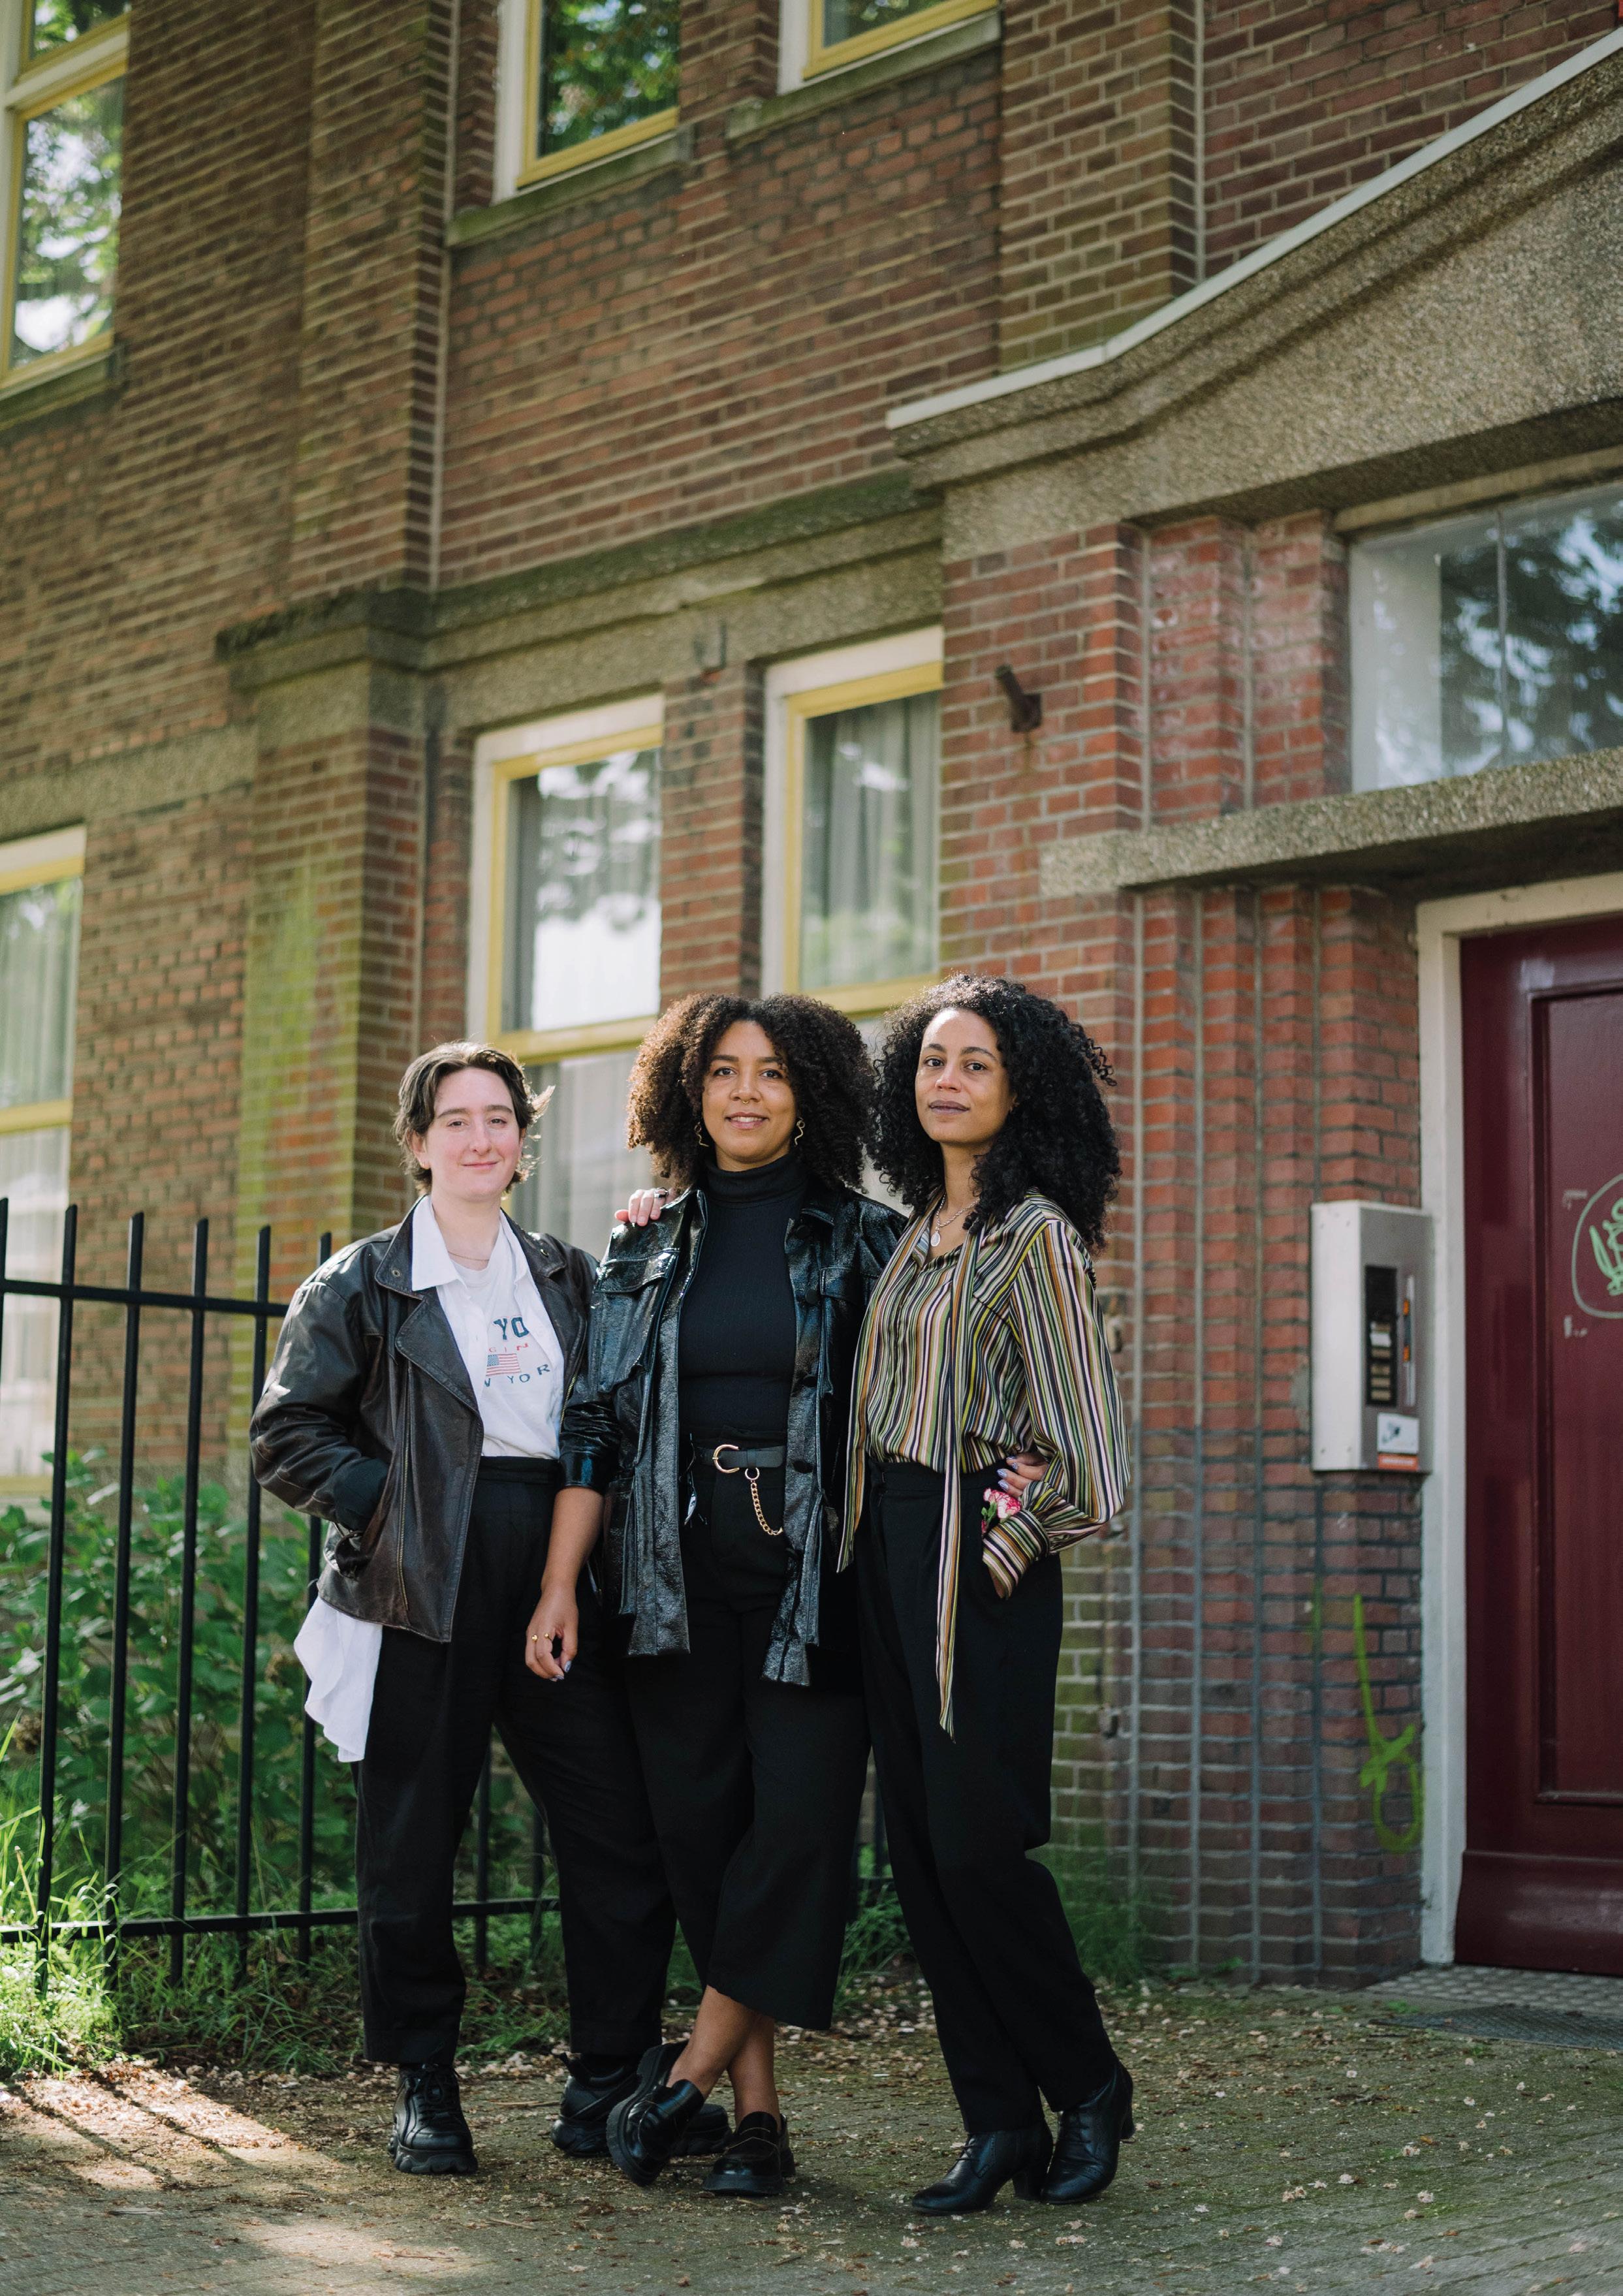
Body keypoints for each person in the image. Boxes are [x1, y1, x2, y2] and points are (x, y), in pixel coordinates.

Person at [529, 994, 979, 2200]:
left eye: (771, 1072)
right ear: (687, 1090)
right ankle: (758, 2117)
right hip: (667, 1585)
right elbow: (593, 1425)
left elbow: (925, 1398)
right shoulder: (641, 1245)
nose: (744, 1092)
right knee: (706, 1843)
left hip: (817, 1586)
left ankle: (681, 2080)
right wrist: (561, 1583)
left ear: (809, 1094)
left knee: (795, 1834)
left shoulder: (869, 1240)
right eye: (722, 1071)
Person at [249, 1042, 725, 2178]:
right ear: (418, 1143)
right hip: (421, 1575)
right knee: (412, 1840)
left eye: (499, 1118)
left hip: (555, 1562)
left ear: (522, 1141)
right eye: (455, 1119)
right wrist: (398, 1509)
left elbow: (603, 1416)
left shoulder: (565, 1275)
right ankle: (425, 2078)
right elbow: (285, 1434)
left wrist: (653, 1228)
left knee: (617, 1830)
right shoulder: (361, 1282)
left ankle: (604, 2076)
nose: (479, 1137)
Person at [842, 974, 1133, 2217]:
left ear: (1022, 1090)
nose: (947, 1080)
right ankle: (999, 2117)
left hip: (975, 1555)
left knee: (978, 1845)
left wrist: (995, 1547)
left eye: (975, 1063)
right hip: (884, 1542)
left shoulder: (1036, 1238)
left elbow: (1095, 1464)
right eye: (930, 1061)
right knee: (921, 1855)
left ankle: (1089, 2082)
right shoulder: (912, 1236)